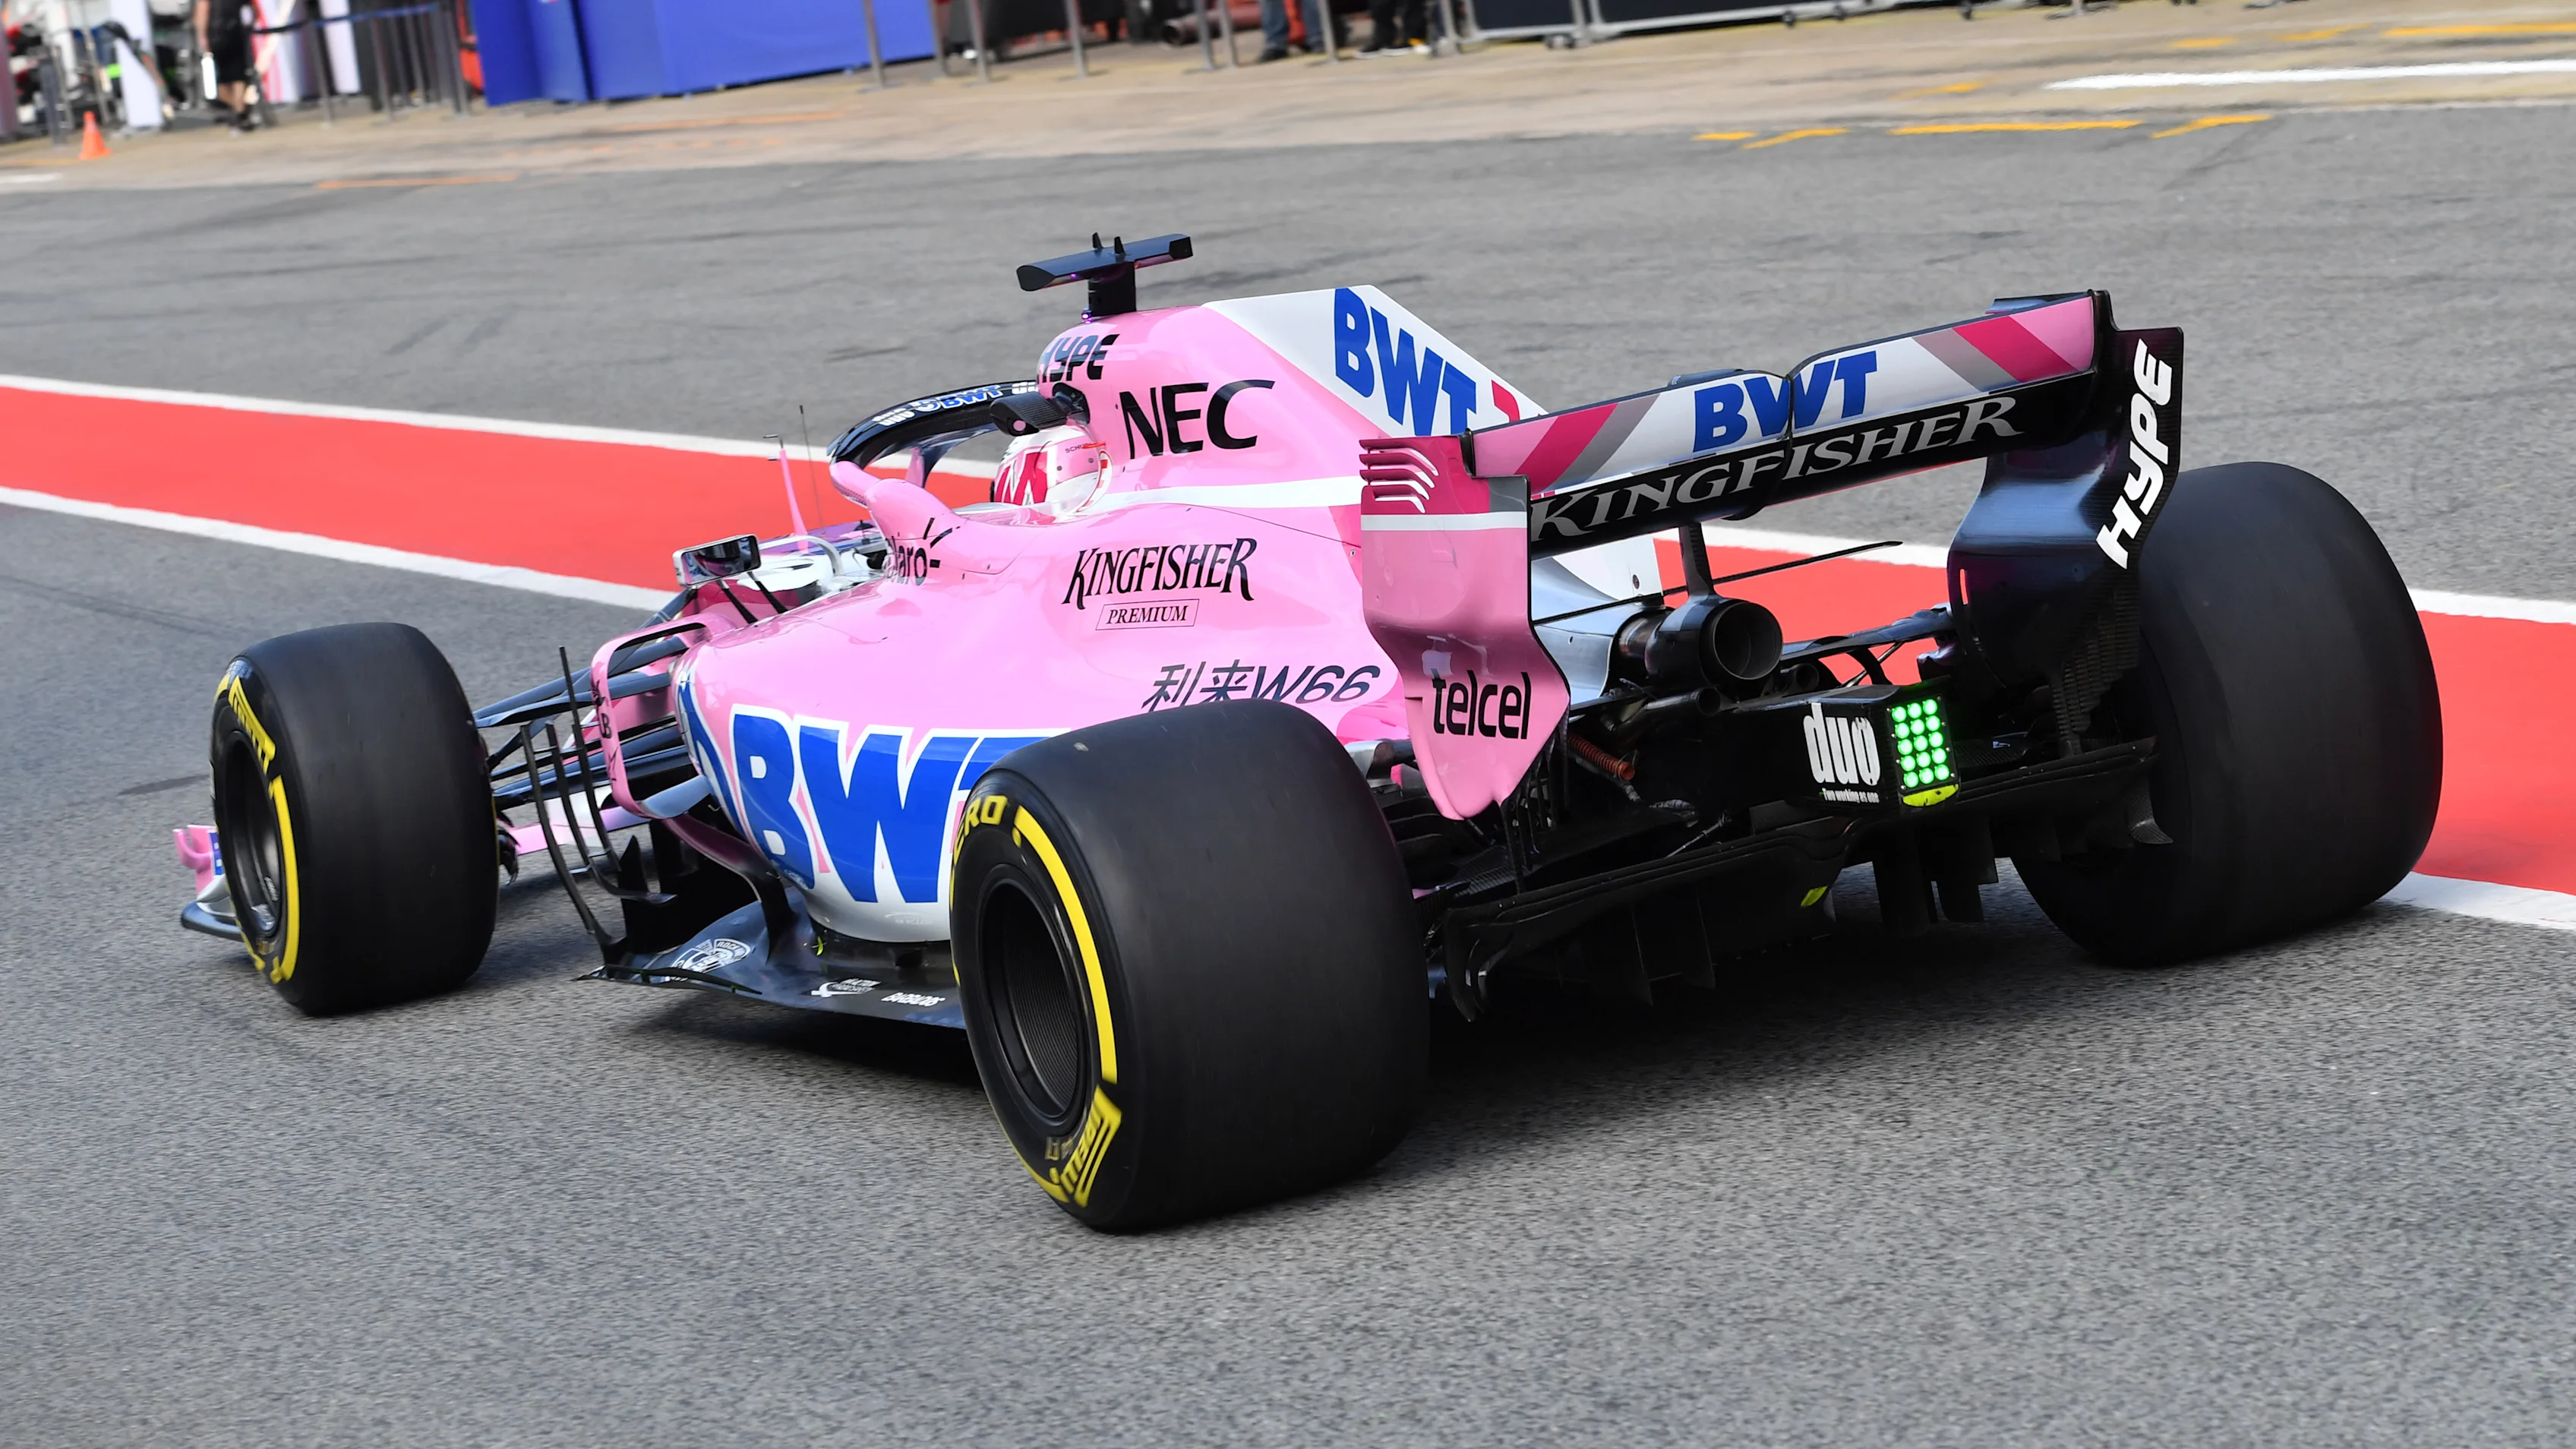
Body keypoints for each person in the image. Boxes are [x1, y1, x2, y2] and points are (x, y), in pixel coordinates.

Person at [192, 0, 253, 129]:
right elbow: (250, 11)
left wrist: (201, 36)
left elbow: (203, 10)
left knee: (218, 83)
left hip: (216, 35)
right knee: (238, 76)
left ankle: (240, 112)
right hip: (237, 33)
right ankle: (241, 111)